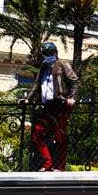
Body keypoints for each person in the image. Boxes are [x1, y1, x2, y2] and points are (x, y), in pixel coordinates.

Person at [29, 42, 77, 172]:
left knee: (60, 136)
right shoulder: (43, 67)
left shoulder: (63, 65)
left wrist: (72, 98)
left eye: (50, 53)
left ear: (55, 53)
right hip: (47, 105)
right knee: (37, 133)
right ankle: (48, 163)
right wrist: (28, 99)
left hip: (60, 104)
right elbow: (37, 85)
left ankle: (59, 167)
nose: (48, 56)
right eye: (45, 53)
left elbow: (74, 82)